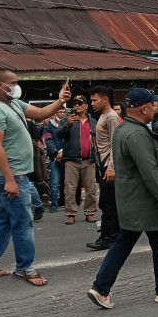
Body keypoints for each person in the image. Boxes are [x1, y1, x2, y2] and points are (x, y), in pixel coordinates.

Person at [86, 88, 158, 308]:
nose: (157, 108)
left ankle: (100, 287)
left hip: (130, 200)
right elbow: (149, 170)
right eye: (154, 104)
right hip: (147, 202)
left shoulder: (126, 129)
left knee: (123, 242)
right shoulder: (137, 134)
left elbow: (143, 156)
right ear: (144, 108)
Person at [0, 69, 70, 285]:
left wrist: (60, 100)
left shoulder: (13, 103)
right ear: (0, 84)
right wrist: (9, 179)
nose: (17, 85)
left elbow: (41, 113)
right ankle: (25, 268)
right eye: (13, 82)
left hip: (16, 174)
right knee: (23, 222)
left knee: (6, 219)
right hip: (12, 175)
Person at [87, 87, 121, 250]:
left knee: (108, 203)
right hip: (102, 164)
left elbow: (116, 144)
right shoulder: (102, 116)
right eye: (91, 100)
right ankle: (112, 233)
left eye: (95, 100)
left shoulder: (112, 117)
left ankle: (109, 236)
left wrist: (112, 167)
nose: (92, 103)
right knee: (108, 202)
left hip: (109, 166)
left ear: (105, 99)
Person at [55, 94, 98, 225]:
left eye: (80, 103)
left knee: (91, 188)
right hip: (71, 160)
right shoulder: (67, 120)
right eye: (75, 104)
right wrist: (67, 125)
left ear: (86, 106)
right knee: (70, 189)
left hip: (88, 160)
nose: (77, 106)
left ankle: (90, 213)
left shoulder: (93, 121)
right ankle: (70, 214)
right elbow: (59, 135)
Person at [42, 107, 65, 212]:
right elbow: (48, 141)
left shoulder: (68, 124)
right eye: (60, 111)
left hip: (67, 157)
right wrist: (56, 153)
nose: (62, 114)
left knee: (68, 183)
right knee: (55, 183)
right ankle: (54, 205)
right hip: (55, 158)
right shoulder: (49, 126)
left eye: (64, 112)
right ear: (55, 113)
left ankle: (65, 203)